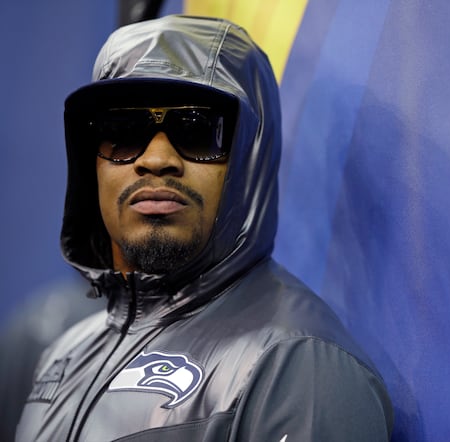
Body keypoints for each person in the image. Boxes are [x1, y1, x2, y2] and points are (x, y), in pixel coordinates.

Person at [16, 15, 394, 441]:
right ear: (94, 163)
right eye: (123, 131)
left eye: (197, 129)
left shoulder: (297, 367)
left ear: (250, 158)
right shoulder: (62, 356)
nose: (156, 159)